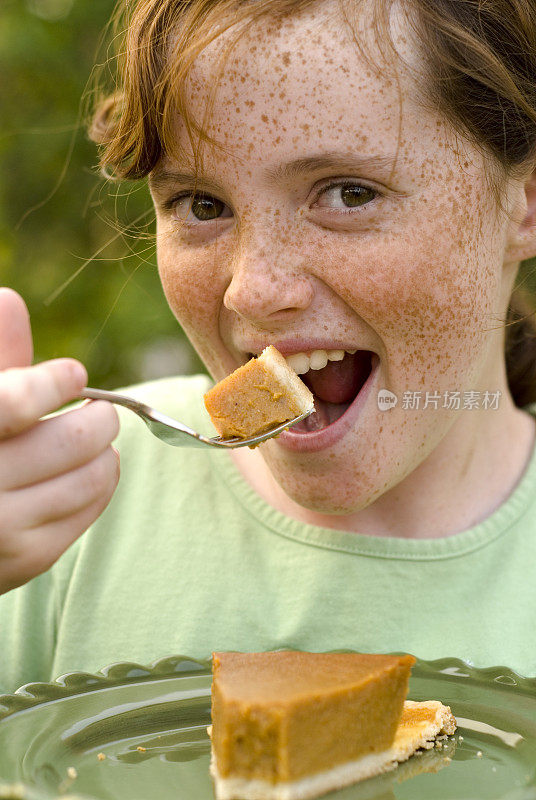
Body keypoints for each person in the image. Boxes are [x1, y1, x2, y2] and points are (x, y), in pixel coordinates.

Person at [1, 0, 536, 694]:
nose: (252, 292)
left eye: (348, 194)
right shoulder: (58, 499)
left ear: (523, 203)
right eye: (202, 205)